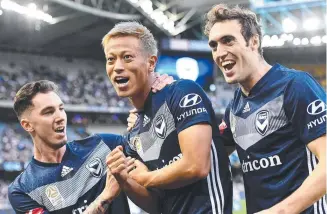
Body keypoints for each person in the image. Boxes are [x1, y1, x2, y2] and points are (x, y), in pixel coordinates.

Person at [204, 4, 326, 214]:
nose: (220, 52)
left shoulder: (294, 86)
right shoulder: (235, 106)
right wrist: (157, 100)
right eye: (214, 45)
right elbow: (203, 155)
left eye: (228, 40)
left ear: (254, 41)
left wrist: (281, 211)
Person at [102, 21, 233, 214]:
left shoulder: (182, 92)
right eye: (111, 59)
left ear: (151, 63)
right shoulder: (133, 134)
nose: (118, 66)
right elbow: (156, 204)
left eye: (127, 57)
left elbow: (196, 166)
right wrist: (125, 180)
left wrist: (145, 178)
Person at [8, 79, 168, 214]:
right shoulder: (22, 189)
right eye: (49, 112)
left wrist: (164, 95)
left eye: (61, 109)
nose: (60, 117)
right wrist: (106, 196)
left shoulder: (104, 144)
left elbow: (156, 144)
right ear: (27, 125)